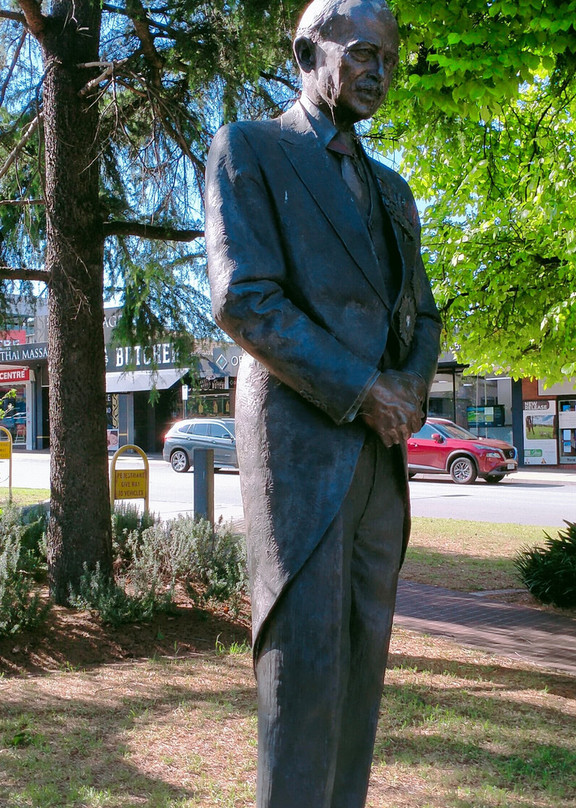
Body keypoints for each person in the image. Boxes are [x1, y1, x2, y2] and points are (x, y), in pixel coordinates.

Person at [204, 0, 441, 805]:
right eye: (365, 54)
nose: (381, 73)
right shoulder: (251, 148)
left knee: (362, 665)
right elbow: (245, 298)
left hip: (380, 456)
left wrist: (409, 388)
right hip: (300, 445)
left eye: (390, 61)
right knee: (303, 670)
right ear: (309, 53)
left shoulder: (392, 189)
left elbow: (423, 313)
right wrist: (362, 389)